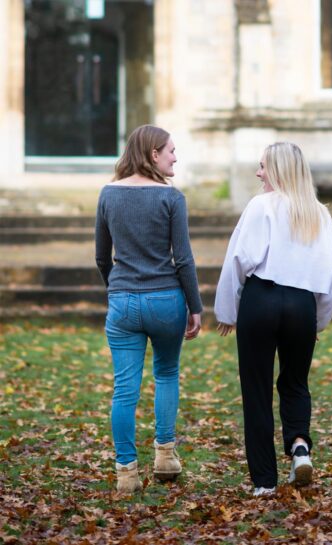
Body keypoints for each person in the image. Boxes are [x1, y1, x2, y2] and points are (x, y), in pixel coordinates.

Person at [214, 142, 332, 497]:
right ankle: (300, 445)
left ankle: (265, 481)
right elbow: (329, 275)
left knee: (256, 389)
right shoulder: (319, 213)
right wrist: (319, 321)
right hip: (302, 305)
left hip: (261, 301)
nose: (258, 173)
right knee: (296, 382)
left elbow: (238, 260)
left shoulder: (261, 206)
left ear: (279, 170)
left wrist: (227, 310)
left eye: (263, 166)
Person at [95, 124, 202, 494]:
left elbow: (100, 256)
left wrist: (118, 289)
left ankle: (126, 472)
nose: (176, 156)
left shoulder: (108, 194)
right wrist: (195, 306)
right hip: (165, 300)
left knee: (124, 390)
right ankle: (165, 456)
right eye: (171, 150)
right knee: (167, 374)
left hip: (122, 301)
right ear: (153, 154)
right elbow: (184, 260)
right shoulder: (172, 199)